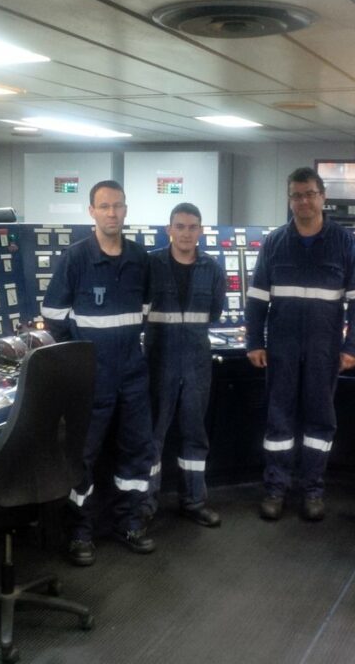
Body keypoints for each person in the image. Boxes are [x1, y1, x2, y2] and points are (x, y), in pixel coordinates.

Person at [245, 167, 355, 522]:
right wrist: (255, 340)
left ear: (322, 196)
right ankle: (275, 488)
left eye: (310, 194)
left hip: (324, 347)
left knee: (319, 421)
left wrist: (353, 347)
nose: (303, 201)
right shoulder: (274, 243)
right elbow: (256, 299)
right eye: (297, 195)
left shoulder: (344, 243)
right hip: (281, 347)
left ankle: (313, 489)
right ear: (290, 200)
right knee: (279, 421)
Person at [41, 180, 155, 566]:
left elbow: (146, 308)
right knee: (84, 456)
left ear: (126, 210)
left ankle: (130, 522)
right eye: (104, 206)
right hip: (92, 375)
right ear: (91, 211)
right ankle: (80, 531)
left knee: (137, 450)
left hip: (132, 373)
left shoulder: (141, 258)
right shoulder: (75, 258)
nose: (111, 213)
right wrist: (79, 356)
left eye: (118, 206)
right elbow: (54, 316)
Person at [144, 202, 227, 528]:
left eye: (193, 227)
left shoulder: (212, 269)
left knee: (195, 434)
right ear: (169, 230)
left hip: (196, 362)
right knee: (153, 436)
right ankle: (145, 507)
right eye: (180, 226)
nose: (186, 233)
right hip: (158, 361)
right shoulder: (151, 265)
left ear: (201, 231)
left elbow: (215, 312)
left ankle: (193, 501)